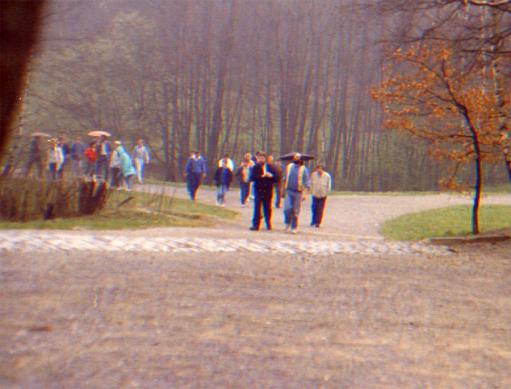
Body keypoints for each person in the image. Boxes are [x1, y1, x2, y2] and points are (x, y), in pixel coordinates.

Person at [249, 152, 277, 231]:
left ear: (265, 159)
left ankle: (268, 223)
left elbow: (276, 178)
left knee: (267, 207)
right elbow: (252, 178)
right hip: (258, 189)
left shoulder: (270, 167)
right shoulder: (255, 167)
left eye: (262, 158)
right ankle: (256, 225)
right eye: (259, 158)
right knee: (257, 208)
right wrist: (261, 176)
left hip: (268, 190)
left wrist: (271, 176)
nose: (261, 160)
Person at [283, 153, 311, 234]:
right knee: (287, 208)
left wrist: (304, 194)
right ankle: (287, 222)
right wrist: (282, 190)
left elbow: (306, 182)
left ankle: (294, 226)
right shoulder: (289, 167)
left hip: (298, 192)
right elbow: (285, 178)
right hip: (289, 190)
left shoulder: (304, 169)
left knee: (295, 210)